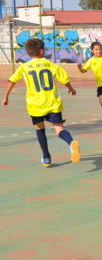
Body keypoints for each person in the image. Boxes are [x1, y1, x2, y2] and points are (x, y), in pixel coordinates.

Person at [2, 39, 81, 167]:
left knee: (40, 129)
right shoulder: (50, 64)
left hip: (35, 105)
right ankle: (71, 143)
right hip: (52, 103)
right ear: (42, 51)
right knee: (59, 129)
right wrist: (71, 89)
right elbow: (64, 79)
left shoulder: (24, 67)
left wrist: (5, 97)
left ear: (28, 53)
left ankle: (46, 157)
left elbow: (12, 81)